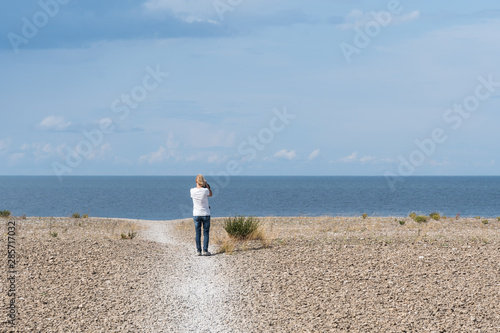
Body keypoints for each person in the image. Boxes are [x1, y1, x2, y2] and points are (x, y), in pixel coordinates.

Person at [190, 174, 213, 256]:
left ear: (196, 181)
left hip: (196, 214)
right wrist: (206, 185)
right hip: (206, 213)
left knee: (198, 233)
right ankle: (205, 250)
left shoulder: (192, 190)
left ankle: (198, 251)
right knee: (206, 232)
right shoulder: (205, 190)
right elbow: (211, 194)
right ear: (203, 182)